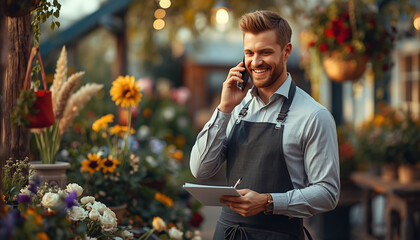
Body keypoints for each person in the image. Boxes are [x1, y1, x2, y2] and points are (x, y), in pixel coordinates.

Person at [189, 10, 340, 240]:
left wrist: (268, 202)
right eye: (249, 53)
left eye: (265, 52)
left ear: (286, 51)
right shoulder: (235, 107)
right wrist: (224, 108)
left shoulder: (313, 116)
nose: (255, 62)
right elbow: (201, 170)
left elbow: (328, 193)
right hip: (227, 233)